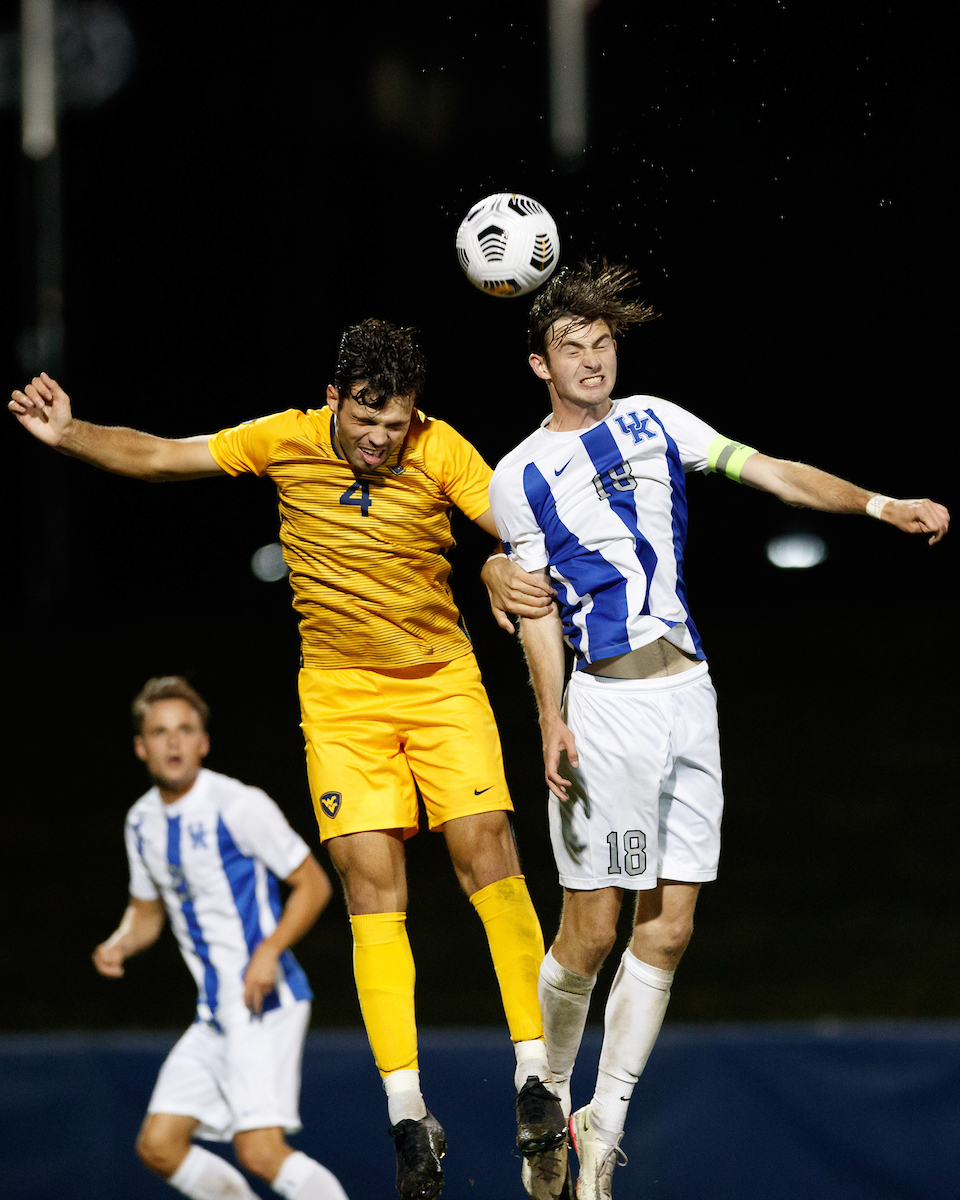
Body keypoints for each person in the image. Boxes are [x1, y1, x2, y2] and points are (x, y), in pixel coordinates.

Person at [11, 319, 563, 1200]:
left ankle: (536, 1077)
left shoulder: (442, 447)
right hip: (341, 698)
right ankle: (407, 1114)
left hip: (439, 681)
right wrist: (70, 433)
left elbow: (523, 530)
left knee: (486, 845)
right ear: (336, 398)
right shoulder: (285, 439)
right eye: (367, 421)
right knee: (370, 887)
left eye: (398, 424)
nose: (383, 440)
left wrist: (500, 567)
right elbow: (162, 457)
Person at [487, 260, 951, 1199]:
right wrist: (548, 719)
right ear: (539, 364)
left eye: (603, 343)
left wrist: (874, 503)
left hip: (689, 697)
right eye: (571, 347)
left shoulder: (660, 418)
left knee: (672, 929)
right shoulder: (518, 475)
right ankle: (541, 1086)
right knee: (593, 926)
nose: (591, 360)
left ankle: (601, 1127)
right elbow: (533, 608)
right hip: (605, 710)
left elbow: (768, 469)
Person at [92, 675, 347, 1200]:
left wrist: (269, 950)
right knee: (159, 1145)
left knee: (260, 1150)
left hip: (264, 1001)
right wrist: (119, 942)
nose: (173, 742)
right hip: (214, 1014)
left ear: (203, 741)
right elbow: (146, 914)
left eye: (185, 730)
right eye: (160, 732)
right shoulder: (140, 822)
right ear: (141, 747)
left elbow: (313, 884)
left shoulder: (237, 804)